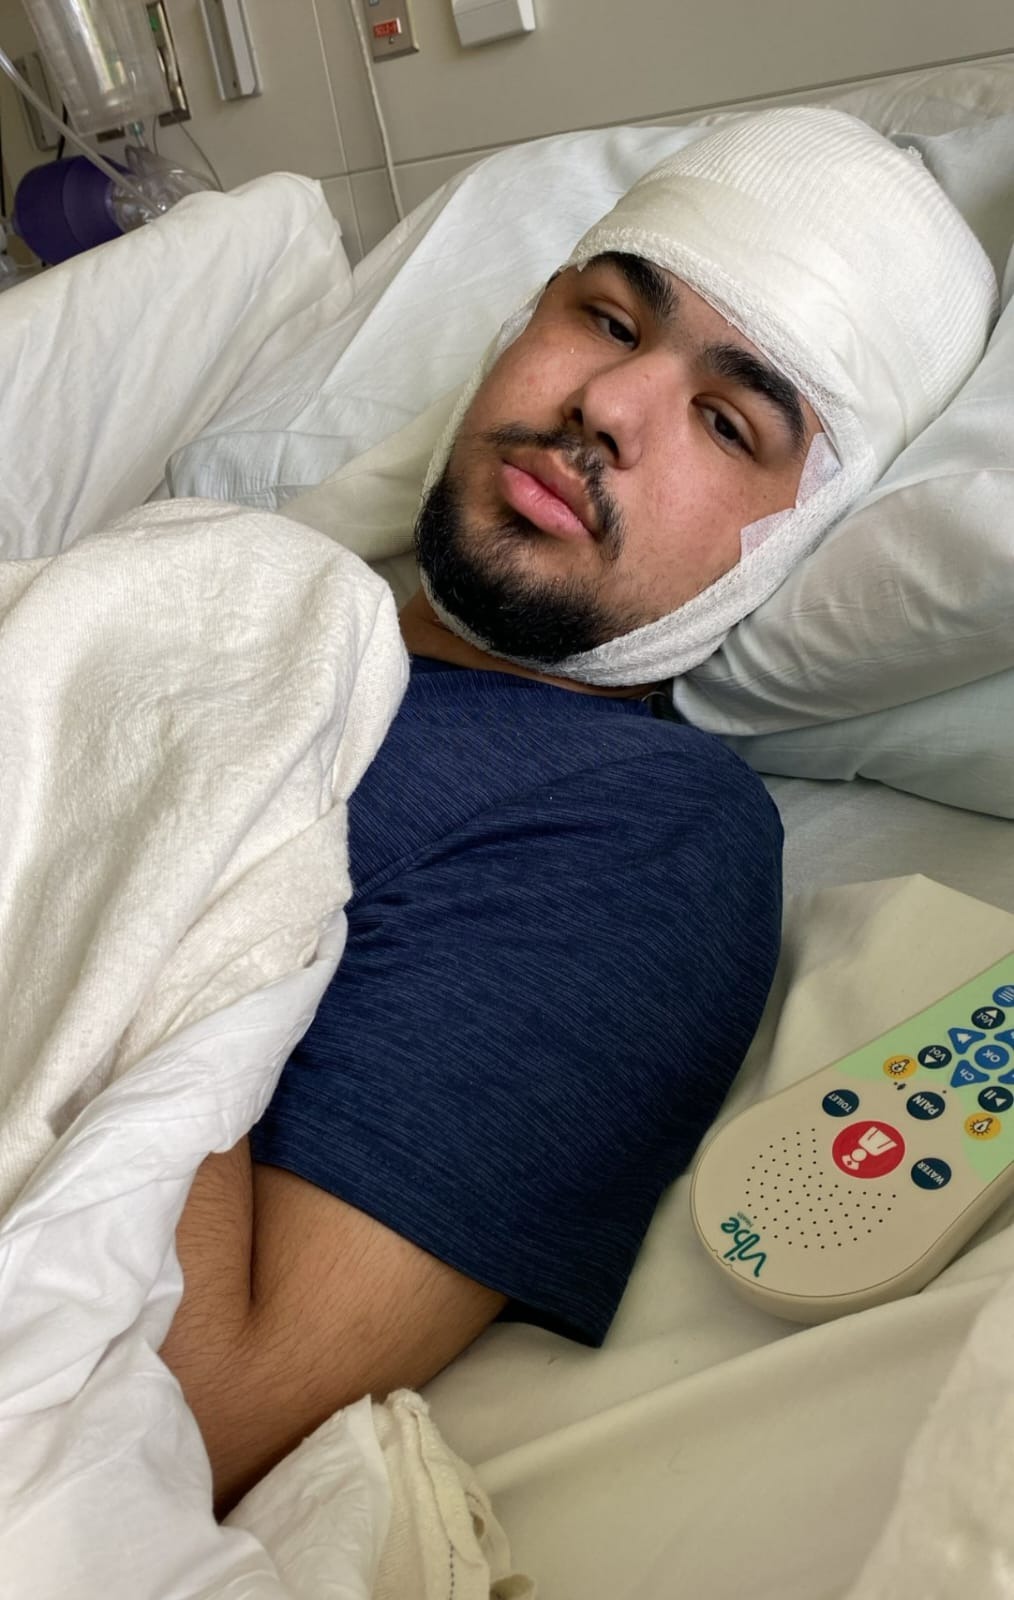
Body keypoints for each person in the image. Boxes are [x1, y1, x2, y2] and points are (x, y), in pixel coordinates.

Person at [159, 107, 996, 1510]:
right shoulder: (227, 590)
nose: (607, 404)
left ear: (793, 542)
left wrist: (192, 799)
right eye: (608, 320)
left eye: (726, 422)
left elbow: (197, 1405)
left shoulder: (640, 829)